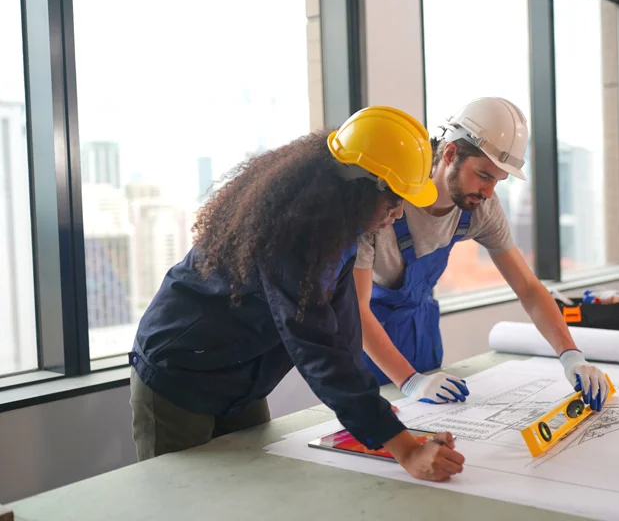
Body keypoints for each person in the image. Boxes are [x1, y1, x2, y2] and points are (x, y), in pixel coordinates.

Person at [128, 106, 465, 482]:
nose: (398, 214)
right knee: (183, 502)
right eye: (393, 200)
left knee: (252, 493)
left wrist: (376, 414)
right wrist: (406, 449)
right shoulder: (291, 239)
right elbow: (317, 348)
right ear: (359, 185)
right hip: (183, 375)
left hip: (243, 376)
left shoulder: (340, 231)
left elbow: (343, 329)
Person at [354, 97, 610, 411]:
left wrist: (571, 356)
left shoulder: (480, 208)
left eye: (498, 181)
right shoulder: (386, 203)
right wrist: (410, 380)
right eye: (484, 176)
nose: (489, 192)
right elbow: (356, 309)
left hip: (421, 331)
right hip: (367, 343)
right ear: (450, 154)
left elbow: (528, 288)